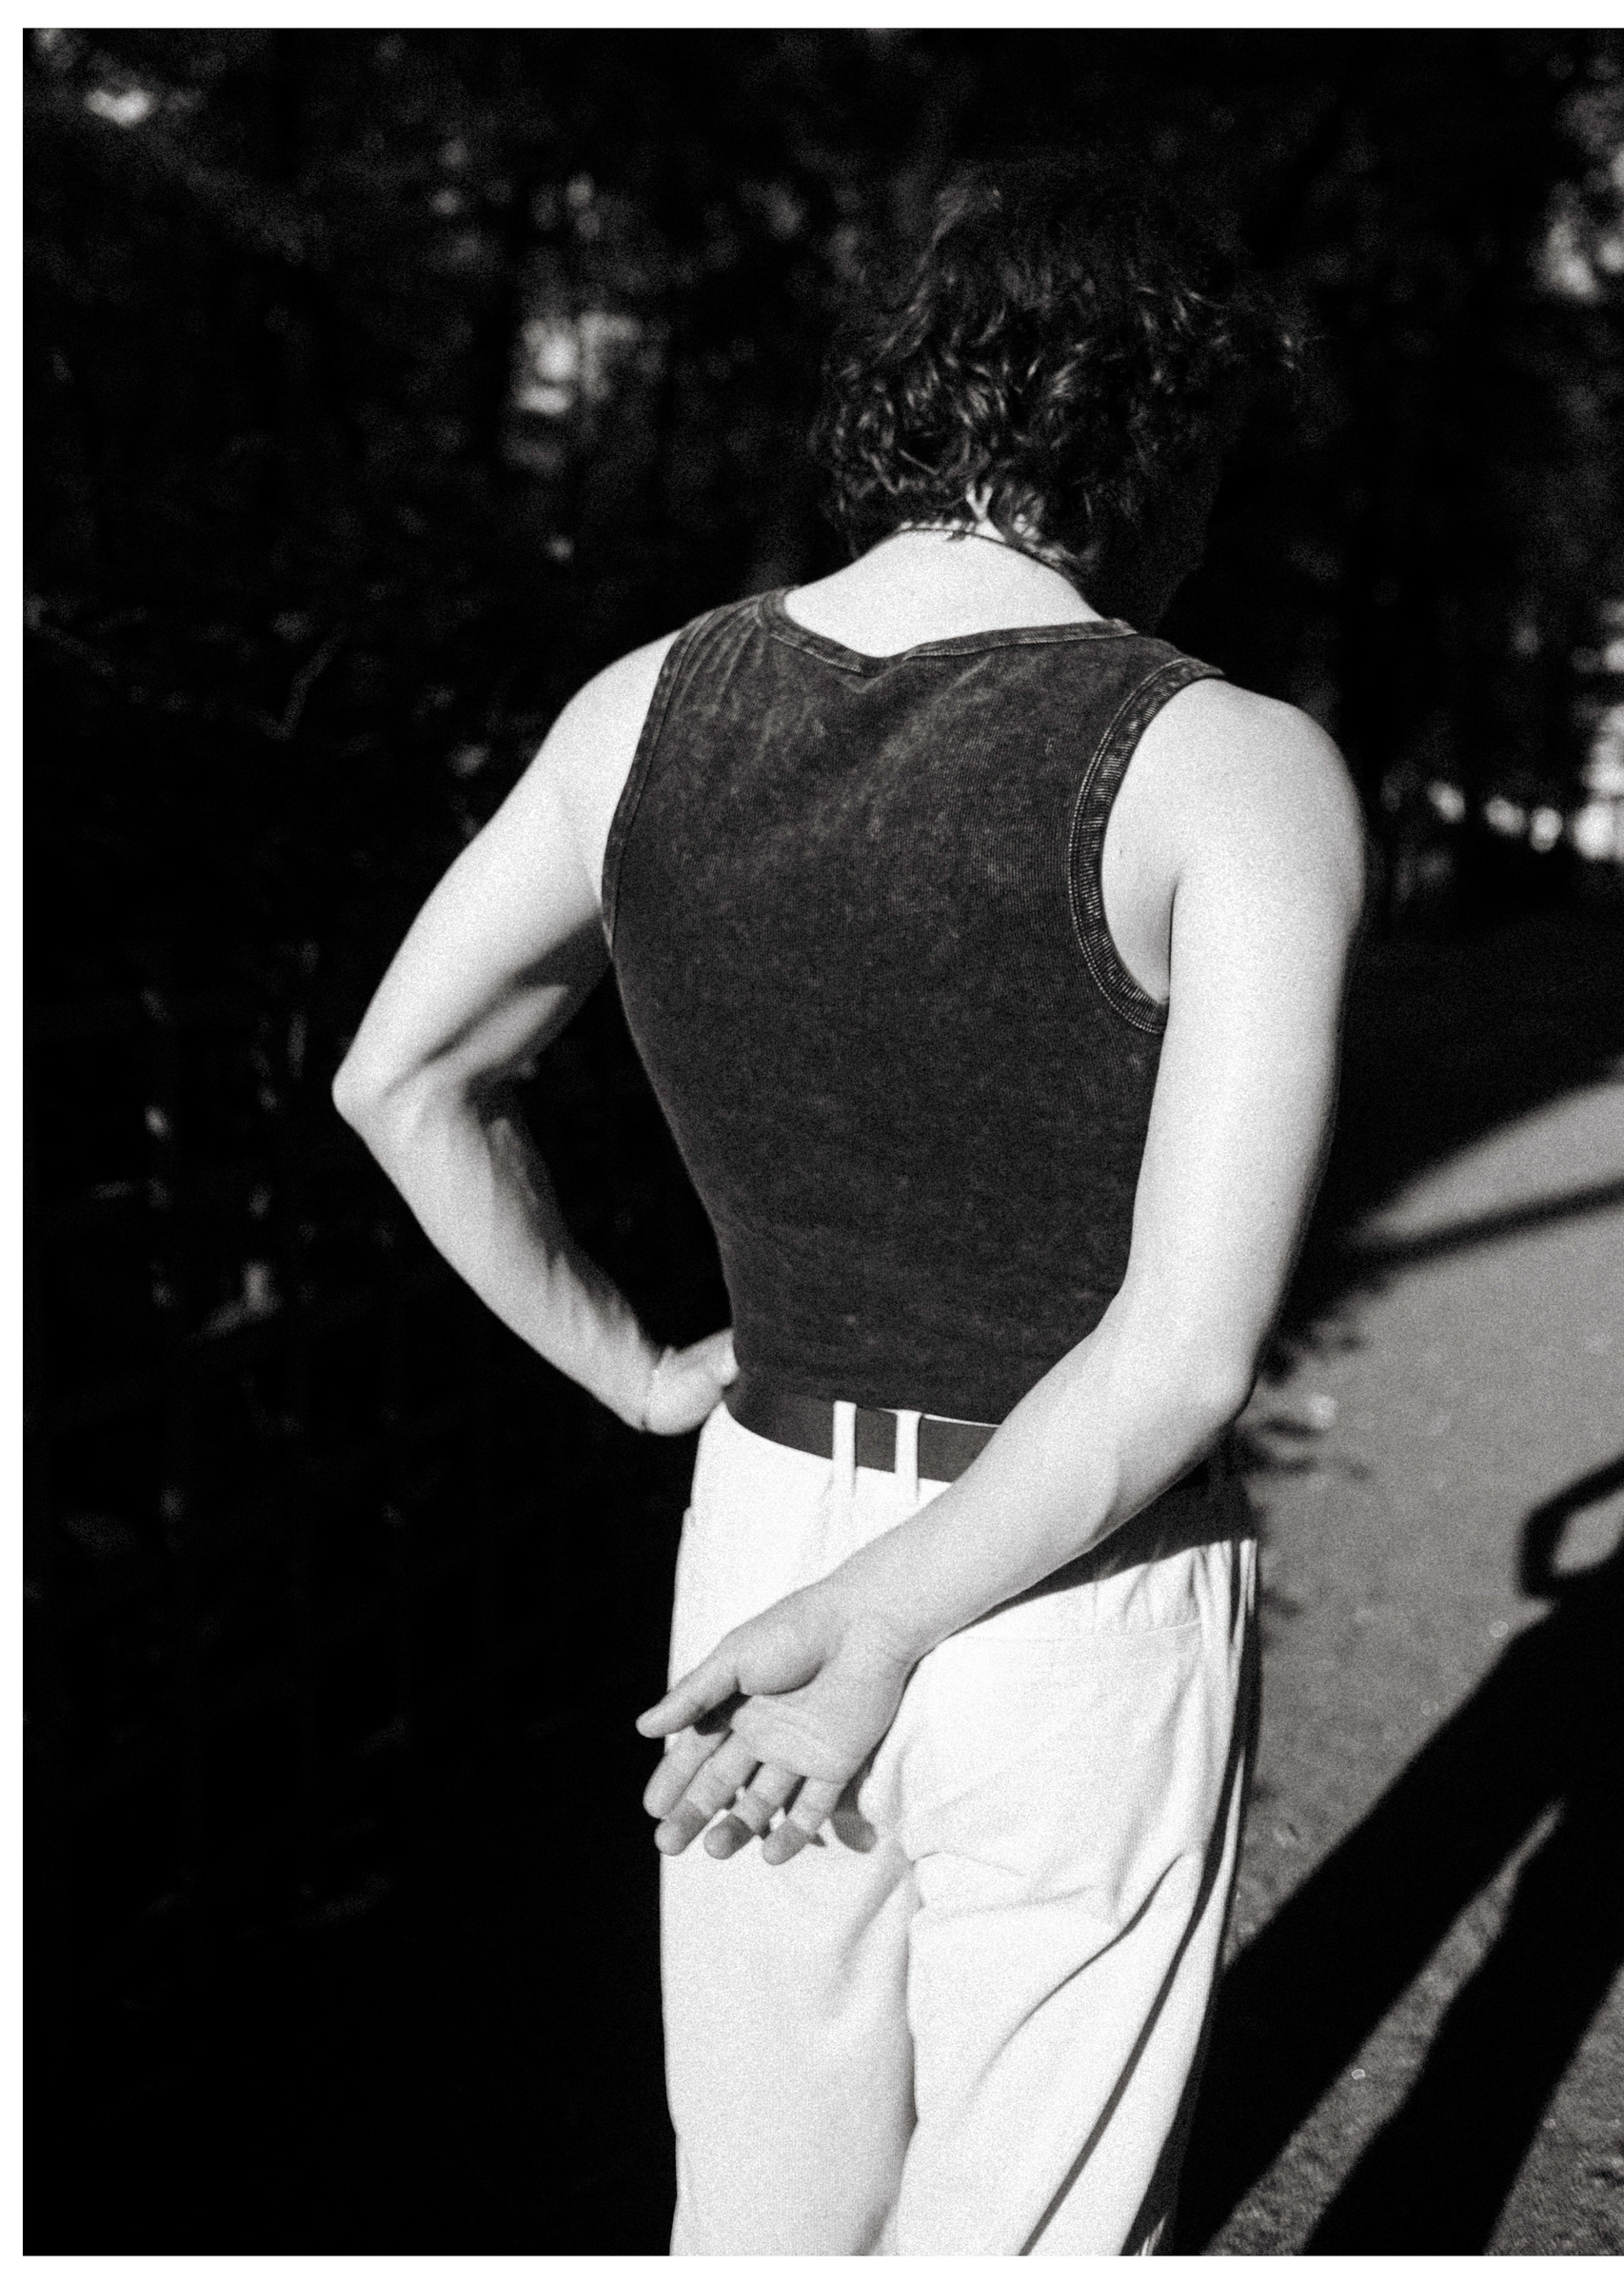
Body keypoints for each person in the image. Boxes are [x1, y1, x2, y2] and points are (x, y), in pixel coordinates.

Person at [333, 153, 1363, 2257]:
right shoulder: (1231, 764)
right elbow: (1180, 1356)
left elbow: (400, 1079)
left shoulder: (645, 707)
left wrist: (638, 1377)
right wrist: (886, 1629)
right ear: (1164, 435)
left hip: (763, 1536)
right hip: (1071, 1579)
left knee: (760, 2224)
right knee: (1032, 2235)